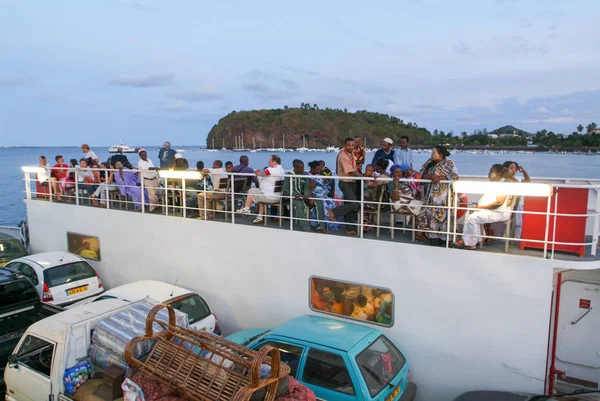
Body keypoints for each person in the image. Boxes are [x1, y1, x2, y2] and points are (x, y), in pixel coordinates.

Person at [453, 164, 511, 250]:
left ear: (498, 174)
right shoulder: (494, 184)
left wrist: (480, 207)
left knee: (473, 218)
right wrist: (478, 208)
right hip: (490, 210)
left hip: (498, 212)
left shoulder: (502, 185)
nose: (489, 173)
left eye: (491, 171)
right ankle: (473, 239)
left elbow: (498, 203)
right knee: (470, 212)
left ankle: (470, 244)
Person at [418, 145, 459, 246]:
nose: (432, 155)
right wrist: (432, 176)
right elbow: (422, 175)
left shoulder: (449, 163)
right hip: (432, 195)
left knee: (446, 216)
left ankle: (446, 240)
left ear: (440, 155)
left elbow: (455, 176)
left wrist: (441, 177)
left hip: (446, 196)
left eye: (434, 153)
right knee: (432, 215)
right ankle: (433, 238)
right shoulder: (429, 163)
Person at [236, 155, 285, 224]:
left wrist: (257, 171)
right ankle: (260, 216)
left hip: (269, 196)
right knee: (260, 195)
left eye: (270, 160)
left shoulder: (272, 169)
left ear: (274, 161)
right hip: (277, 196)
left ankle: (247, 208)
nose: (268, 162)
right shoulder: (281, 170)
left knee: (251, 190)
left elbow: (258, 173)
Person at [329, 138, 363, 235]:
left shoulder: (351, 154)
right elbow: (351, 170)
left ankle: (350, 228)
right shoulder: (343, 156)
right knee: (354, 204)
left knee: (350, 206)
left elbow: (355, 168)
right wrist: (364, 177)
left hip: (352, 182)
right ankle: (334, 212)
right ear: (345, 145)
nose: (351, 147)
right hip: (345, 182)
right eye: (349, 145)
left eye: (353, 145)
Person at [283, 159, 311, 231]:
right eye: (301, 168)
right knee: (299, 204)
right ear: (295, 168)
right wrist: (294, 194)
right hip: (293, 197)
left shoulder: (306, 174)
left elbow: (307, 186)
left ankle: (321, 226)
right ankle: (305, 226)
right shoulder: (288, 175)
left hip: (304, 196)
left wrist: (306, 194)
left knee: (318, 202)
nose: (303, 169)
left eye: (303, 167)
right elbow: (286, 188)